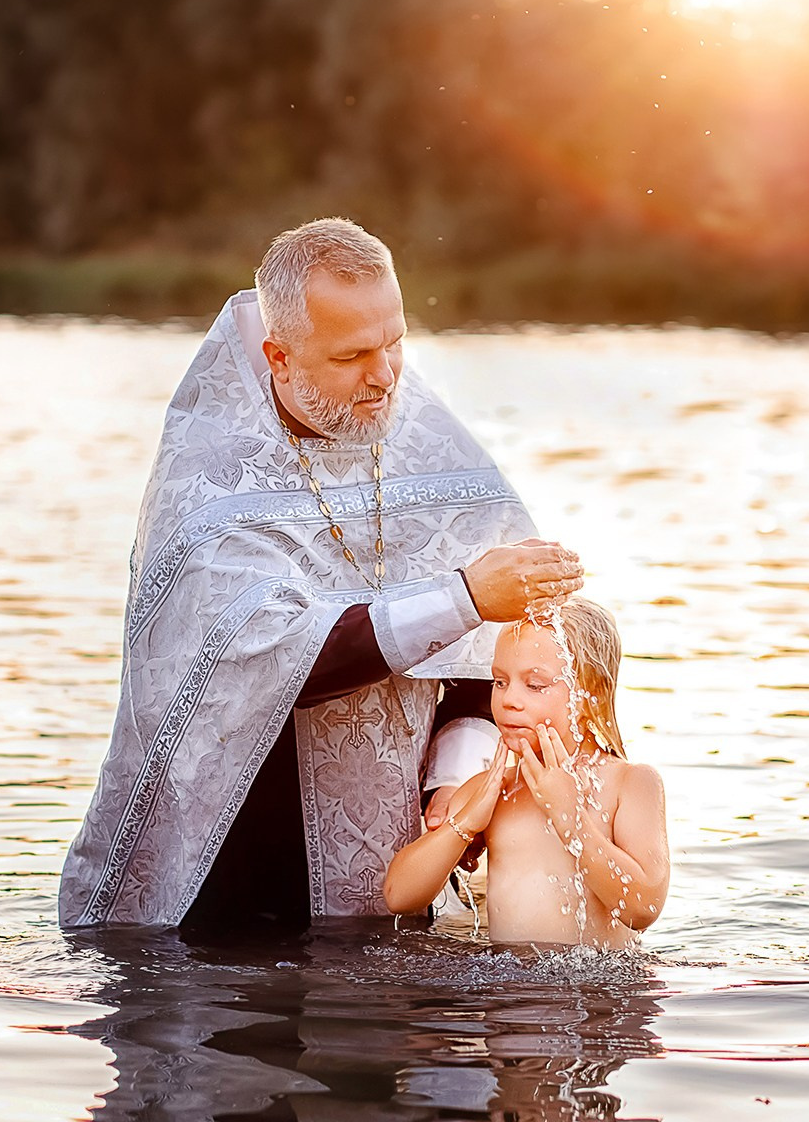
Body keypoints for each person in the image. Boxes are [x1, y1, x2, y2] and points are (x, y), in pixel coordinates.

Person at [58, 218, 582, 931]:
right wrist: (462, 596)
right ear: (279, 356)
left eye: (396, 341)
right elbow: (271, 659)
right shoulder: (210, 476)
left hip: (403, 879)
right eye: (354, 354)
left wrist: (454, 779)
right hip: (229, 894)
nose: (386, 375)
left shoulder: (423, 433)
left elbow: (498, 655)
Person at [383, 599, 670, 947]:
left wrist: (570, 817)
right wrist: (466, 823)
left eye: (534, 685)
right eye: (500, 682)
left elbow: (642, 908)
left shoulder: (630, 782)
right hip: (509, 996)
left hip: (597, 996)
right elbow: (399, 896)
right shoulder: (494, 790)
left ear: (589, 694)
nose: (508, 700)